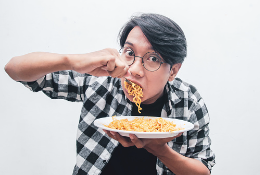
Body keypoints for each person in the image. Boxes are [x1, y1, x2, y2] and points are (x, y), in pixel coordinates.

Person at [5, 13, 215, 175]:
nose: (134, 70)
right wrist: (72, 61)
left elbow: (202, 169)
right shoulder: (102, 82)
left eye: (153, 59)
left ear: (173, 71)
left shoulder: (188, 101)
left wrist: (161, 151)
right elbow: (14, 69)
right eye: (130, 53)